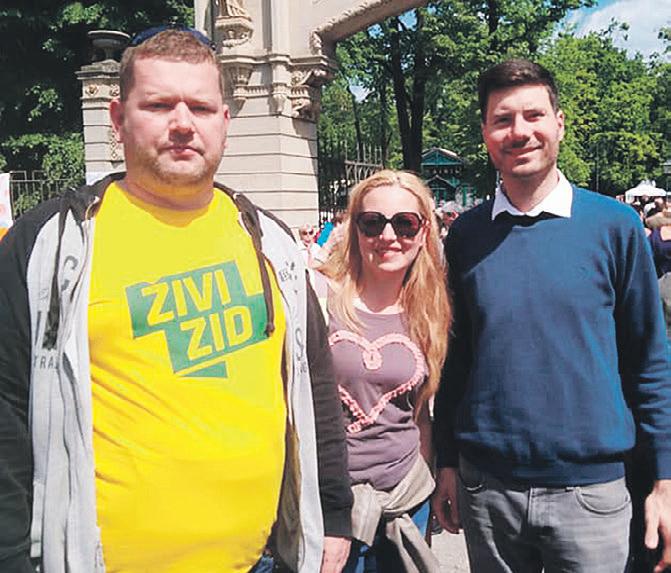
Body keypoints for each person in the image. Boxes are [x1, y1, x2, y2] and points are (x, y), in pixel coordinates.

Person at [0, 28, 353, 573]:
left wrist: (333, 512)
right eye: (159, 105)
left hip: (262, 561)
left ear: (225, 122)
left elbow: (313, 382)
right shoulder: (52, 243)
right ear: (118, 119)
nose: (183, 124)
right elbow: (8, 410)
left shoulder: (270, 240)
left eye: (201, 107)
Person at [432, 58, 671, 573]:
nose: (520, 132)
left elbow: (649, 359)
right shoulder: (466, 236)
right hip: (487, 488)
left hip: (592, 492)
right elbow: (456, 359)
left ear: (559, 123)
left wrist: (664, 479)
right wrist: (446, 461)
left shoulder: (615, 226)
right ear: (485, 133)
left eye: (534, 115)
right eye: (502, 119)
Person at [320, 170, 451, 572]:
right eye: (372, 222)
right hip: (334, 507)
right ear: (354, 229)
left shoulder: (430, 312)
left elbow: (420, 414)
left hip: (405, 502)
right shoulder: (320, 297)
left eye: (405, 223)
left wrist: (428, 481)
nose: (388, 236)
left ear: (424, 231)